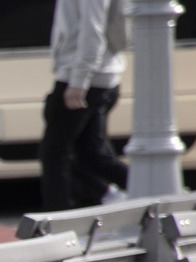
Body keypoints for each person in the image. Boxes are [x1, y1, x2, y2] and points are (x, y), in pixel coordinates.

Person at [38, 0, 131, 211]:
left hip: (83, 78)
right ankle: (153, 193)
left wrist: (79, 81)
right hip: (100, 76)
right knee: (91, 154)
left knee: (54, 153)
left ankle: (57, 220)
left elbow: (92, 31)